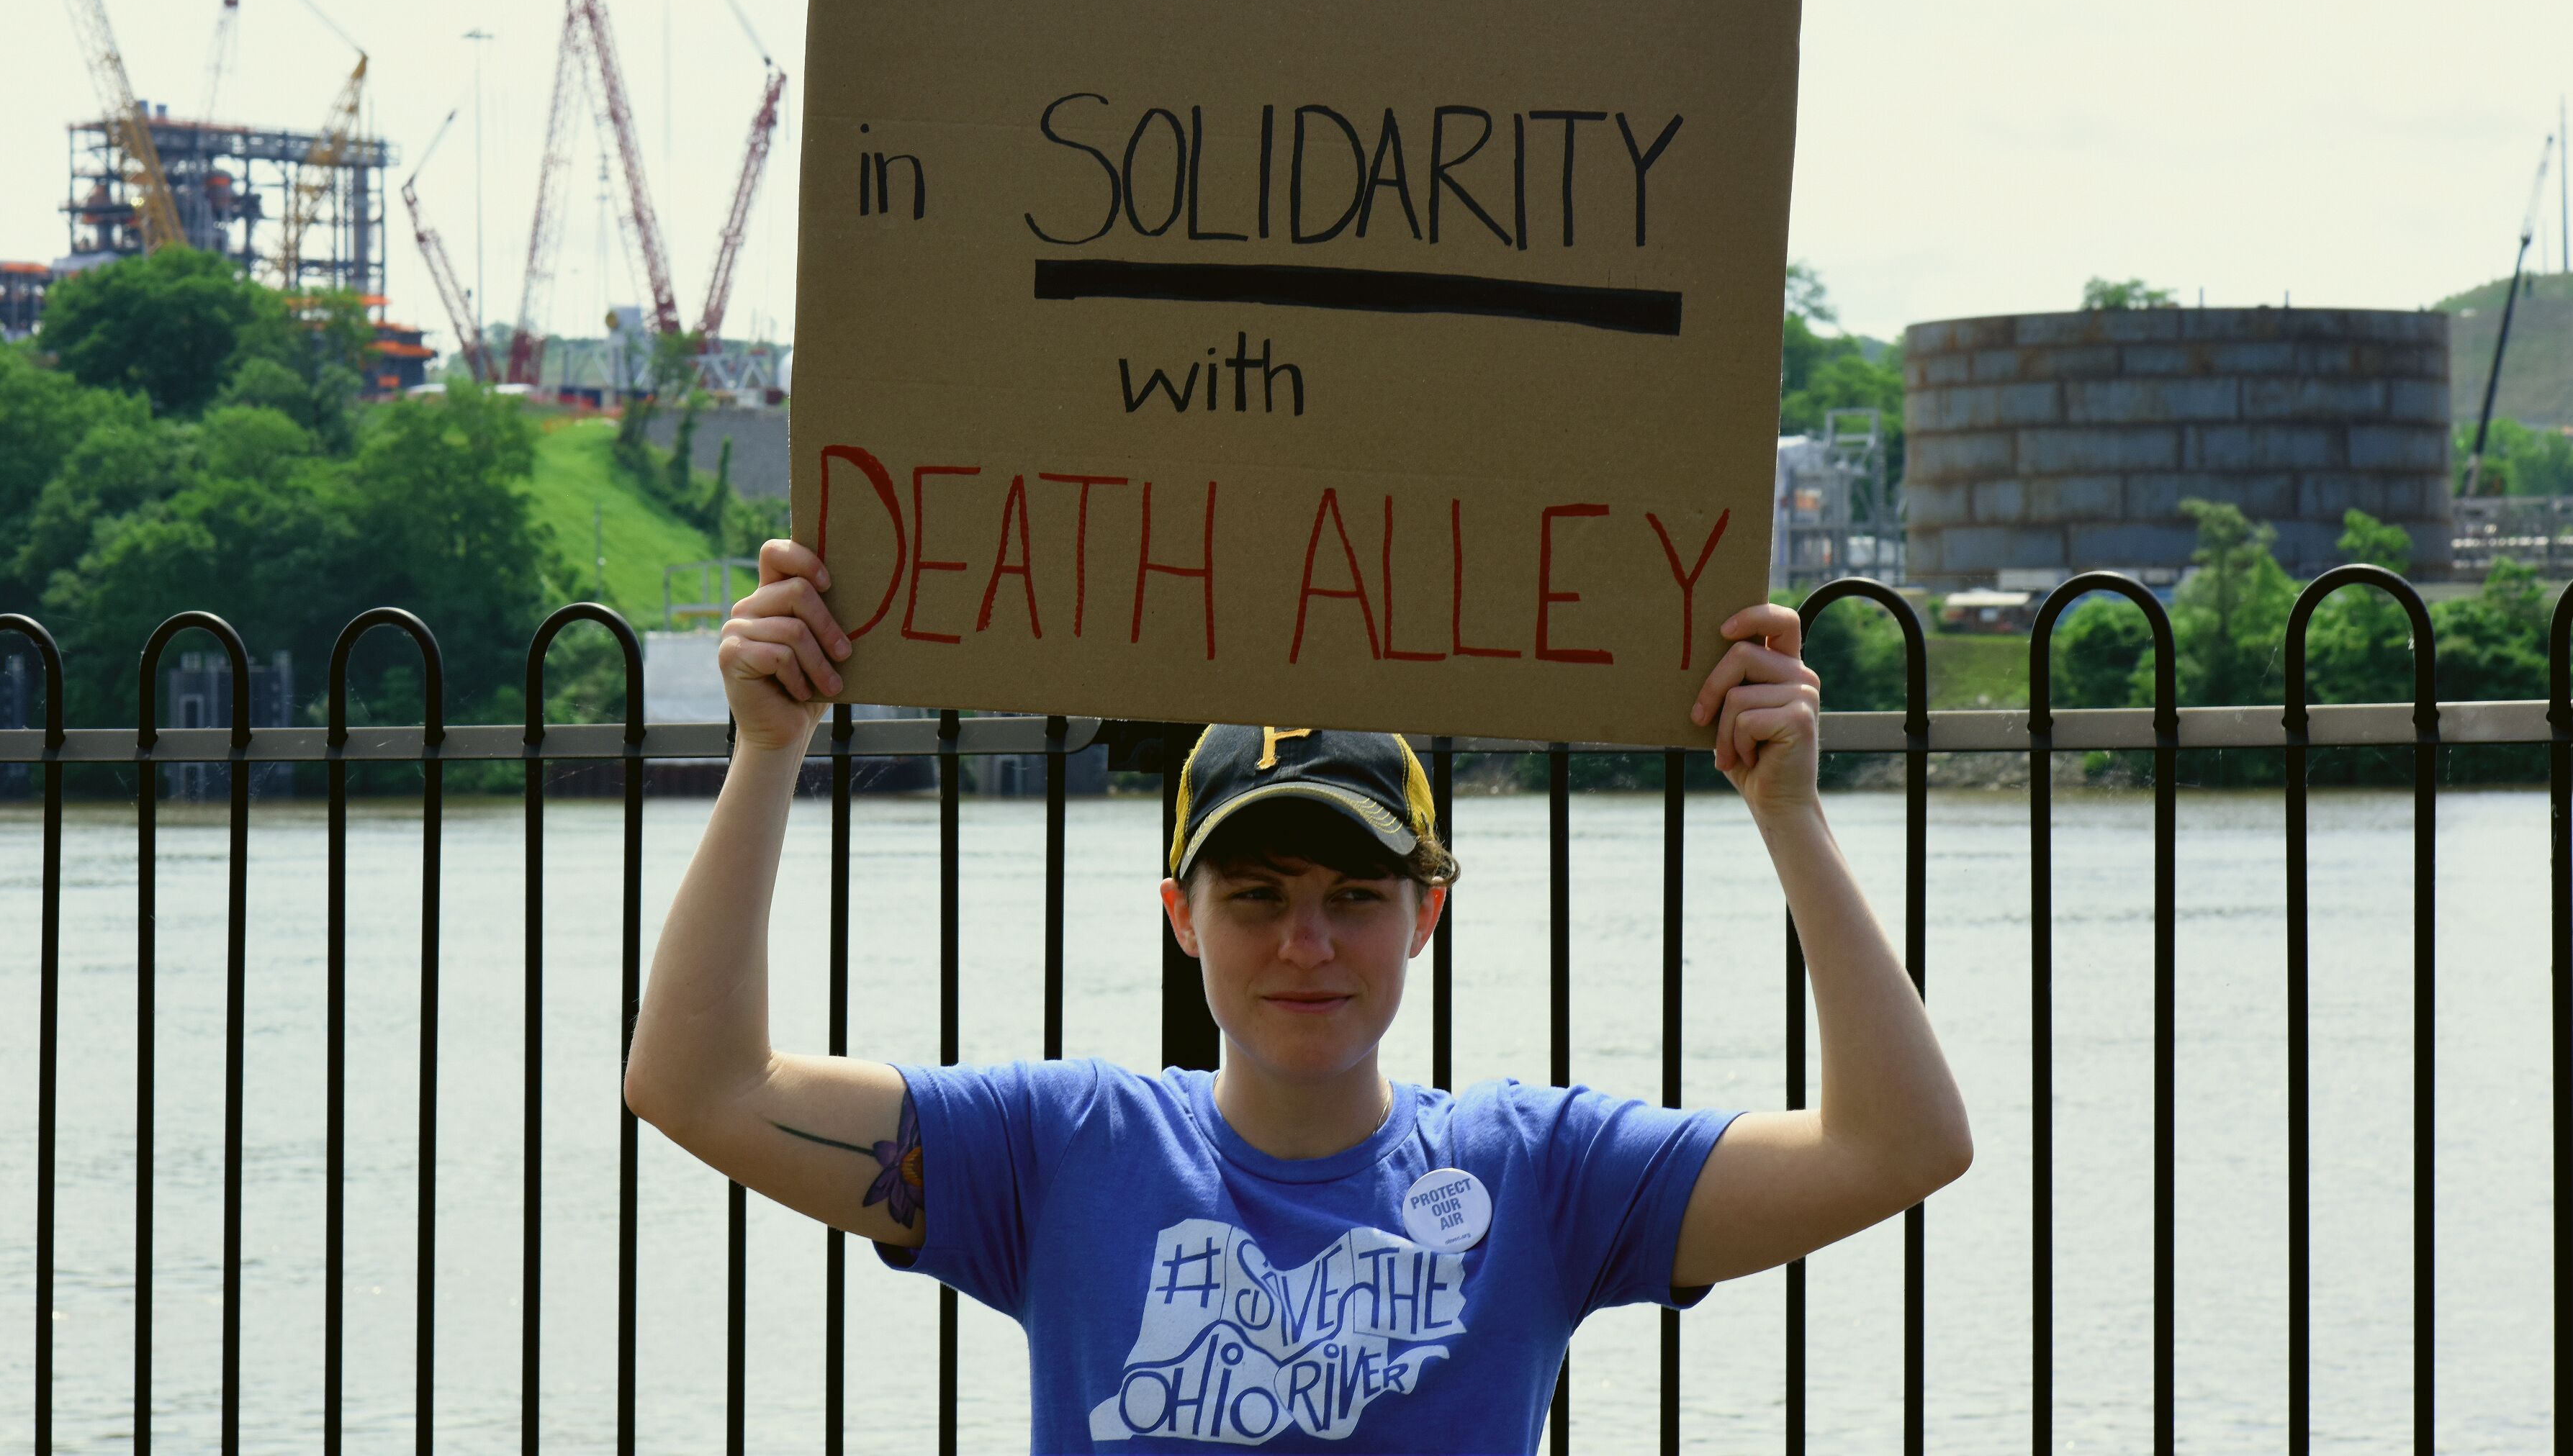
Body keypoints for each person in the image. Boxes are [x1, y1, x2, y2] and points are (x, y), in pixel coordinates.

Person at [623, 537, 1969, 1452]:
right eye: (1257, 896)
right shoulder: (1057, 1150)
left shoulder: (1544, 1173)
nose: (1306, 943)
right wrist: (770, 747)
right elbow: (699, 1087)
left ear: (1427, 914)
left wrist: (1787, 809)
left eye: (1356, 897)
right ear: (1180, 920)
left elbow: (1898, 1145)